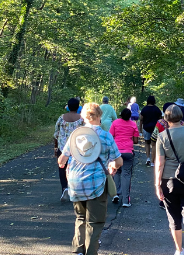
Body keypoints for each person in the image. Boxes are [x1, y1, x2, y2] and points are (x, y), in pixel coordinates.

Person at [59, 102, 123, 255]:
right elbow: (119, 161)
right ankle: (91, 252)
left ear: (83, 117)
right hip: (96, 185)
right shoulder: (105, 136)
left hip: (75, 183)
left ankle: (78, 250)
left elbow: (62, 160)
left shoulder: (75, 135)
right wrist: (112, 166)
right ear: (99, 116)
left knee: (80, 218)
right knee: (95, 222)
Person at [155, 105, 184, 255]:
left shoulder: (162, 136)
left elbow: (160, 163)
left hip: (169, 180)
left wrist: (157, 185)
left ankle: (179, 250)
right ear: (181, 116)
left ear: (166, 118)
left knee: (174, 217)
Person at [54, 98, 84, 202]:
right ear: (78, 106)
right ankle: (76, 189)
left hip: (63, 148)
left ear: (68, 106)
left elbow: (56, 133)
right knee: (78, 169)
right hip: (78, 148)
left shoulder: (61, 118)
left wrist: (55, 146)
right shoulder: (82, 119)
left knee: (62, 167)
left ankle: (64, 188)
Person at [109, 108, 139, 207]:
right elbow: (135, 140)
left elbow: (110, 136)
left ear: (121, 115)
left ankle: (116, 194)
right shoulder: (133, 124)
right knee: (126, 174)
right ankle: (126, 200)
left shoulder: (115, 123)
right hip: (128, 152)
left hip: (116, 151)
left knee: (116, 172)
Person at [139, 95, 162, 167]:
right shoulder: (157, 109)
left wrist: (140, 130)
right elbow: (160, 119)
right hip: (155, 129)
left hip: (146, 128)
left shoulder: (144, 109)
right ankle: (153, 160)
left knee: (147, 143)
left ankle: (148, 158)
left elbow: (141, 120)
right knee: (154, 144)